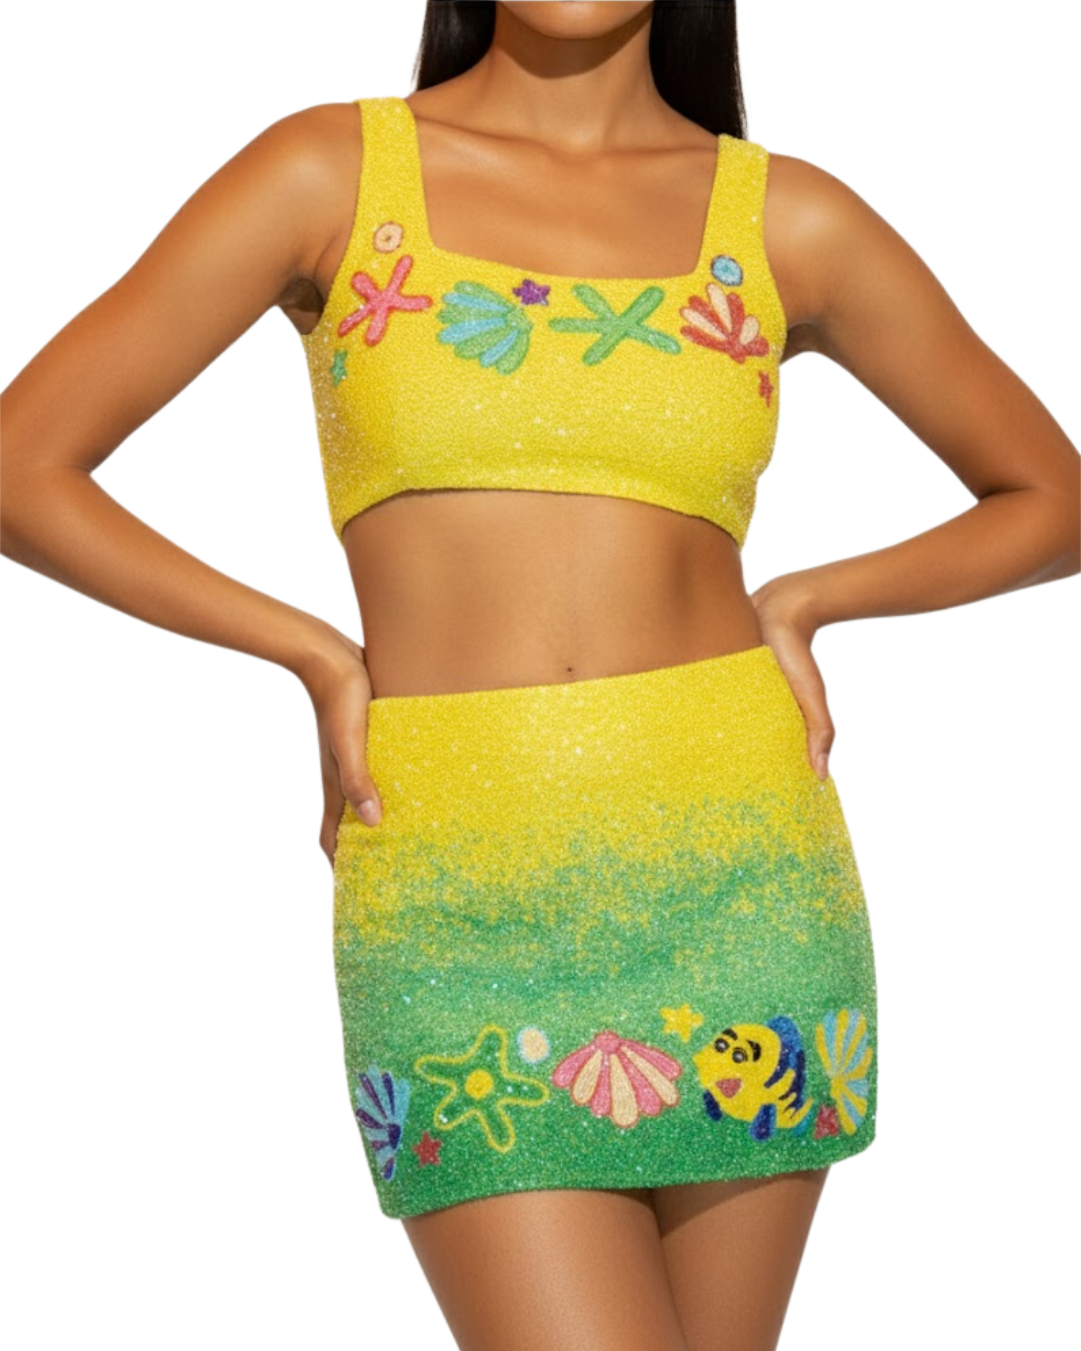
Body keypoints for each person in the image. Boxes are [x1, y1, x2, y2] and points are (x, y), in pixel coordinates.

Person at [2, 2, 1078, 1348]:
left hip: (743, 879)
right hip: (455, 897)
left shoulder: (787, 219)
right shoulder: (327, 173)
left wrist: (812, 597)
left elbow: (1053, 497)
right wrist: (310, 650)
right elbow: (20, 466)